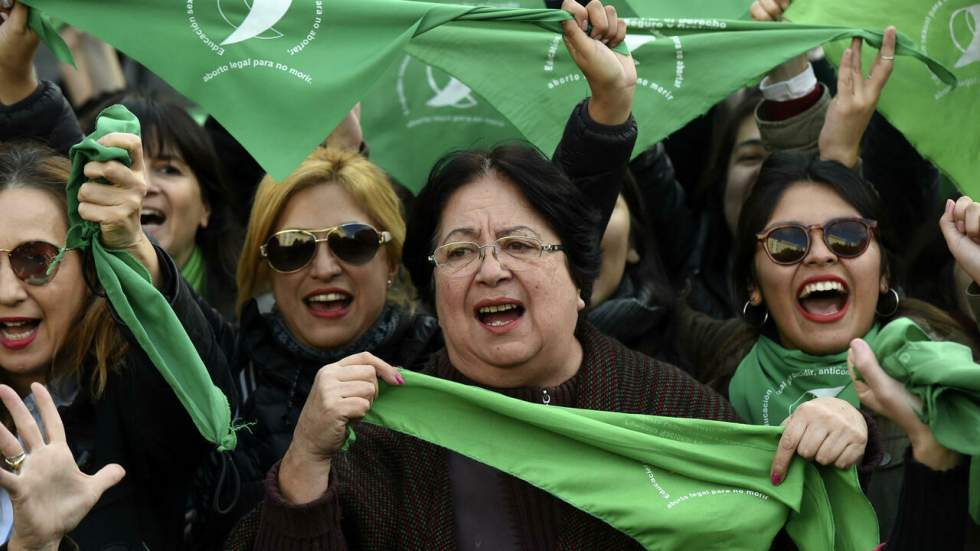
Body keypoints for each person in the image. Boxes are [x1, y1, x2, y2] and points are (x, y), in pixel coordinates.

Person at [686, 150, 975, 548]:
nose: (821, 254)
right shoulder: (714, 390)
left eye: (848, 236)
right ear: (753, 284)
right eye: (787, 243)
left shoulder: (952, 372)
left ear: (883, 272)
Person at [185, 146, 442, 548]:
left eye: (353, 241)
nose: (324, 269)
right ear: (267, 266)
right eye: (294, 247)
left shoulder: (449, 366)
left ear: (391, 262)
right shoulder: (227, 381)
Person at [0, 136, 236, 548]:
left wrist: (136, 250)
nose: (7, 291)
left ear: (87, 263)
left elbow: (208, 404)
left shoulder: (131, 390)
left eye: (35, 258)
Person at [81, 92, 243, 316]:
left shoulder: (253, 316)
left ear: (206, 206)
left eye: (168, 169)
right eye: (122, 165)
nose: (143, 185)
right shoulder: (62, 306)